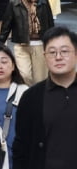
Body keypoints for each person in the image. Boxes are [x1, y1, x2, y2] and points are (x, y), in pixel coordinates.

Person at [12, 26, 77, 169]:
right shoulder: (31, 97)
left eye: (64, 51)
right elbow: (21, 148)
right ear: (44, 56)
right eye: (52, 52)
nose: (58, 57)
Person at [0, 0, 56, 85]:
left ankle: (37, 100)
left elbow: (50, 26)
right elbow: (6, 26)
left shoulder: (44, 2)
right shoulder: (14, 3)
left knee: (40, 80)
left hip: (40, 45)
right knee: (24, 75)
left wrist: (52, 45)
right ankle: (28, 98)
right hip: (21, 45)